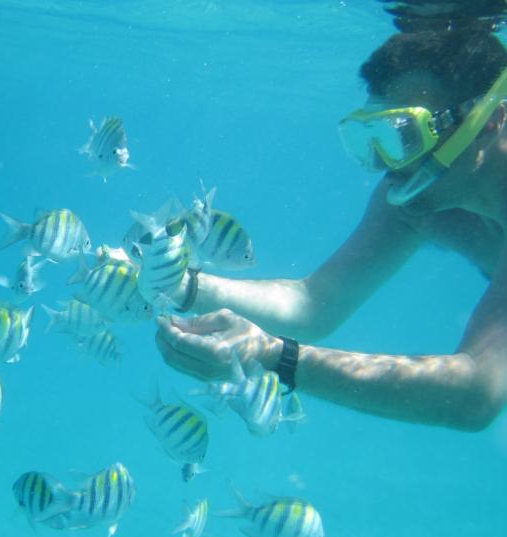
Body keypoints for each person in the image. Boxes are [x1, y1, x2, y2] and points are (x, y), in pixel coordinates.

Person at [155, 27, 507, 432]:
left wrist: (274, 356)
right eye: (368, 138)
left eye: (404, 136)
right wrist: (179, 284)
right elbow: (313, 303)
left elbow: (476, 393)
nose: (383, 163)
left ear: (490, 119)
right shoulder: (417, 199)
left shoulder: (426, 190)